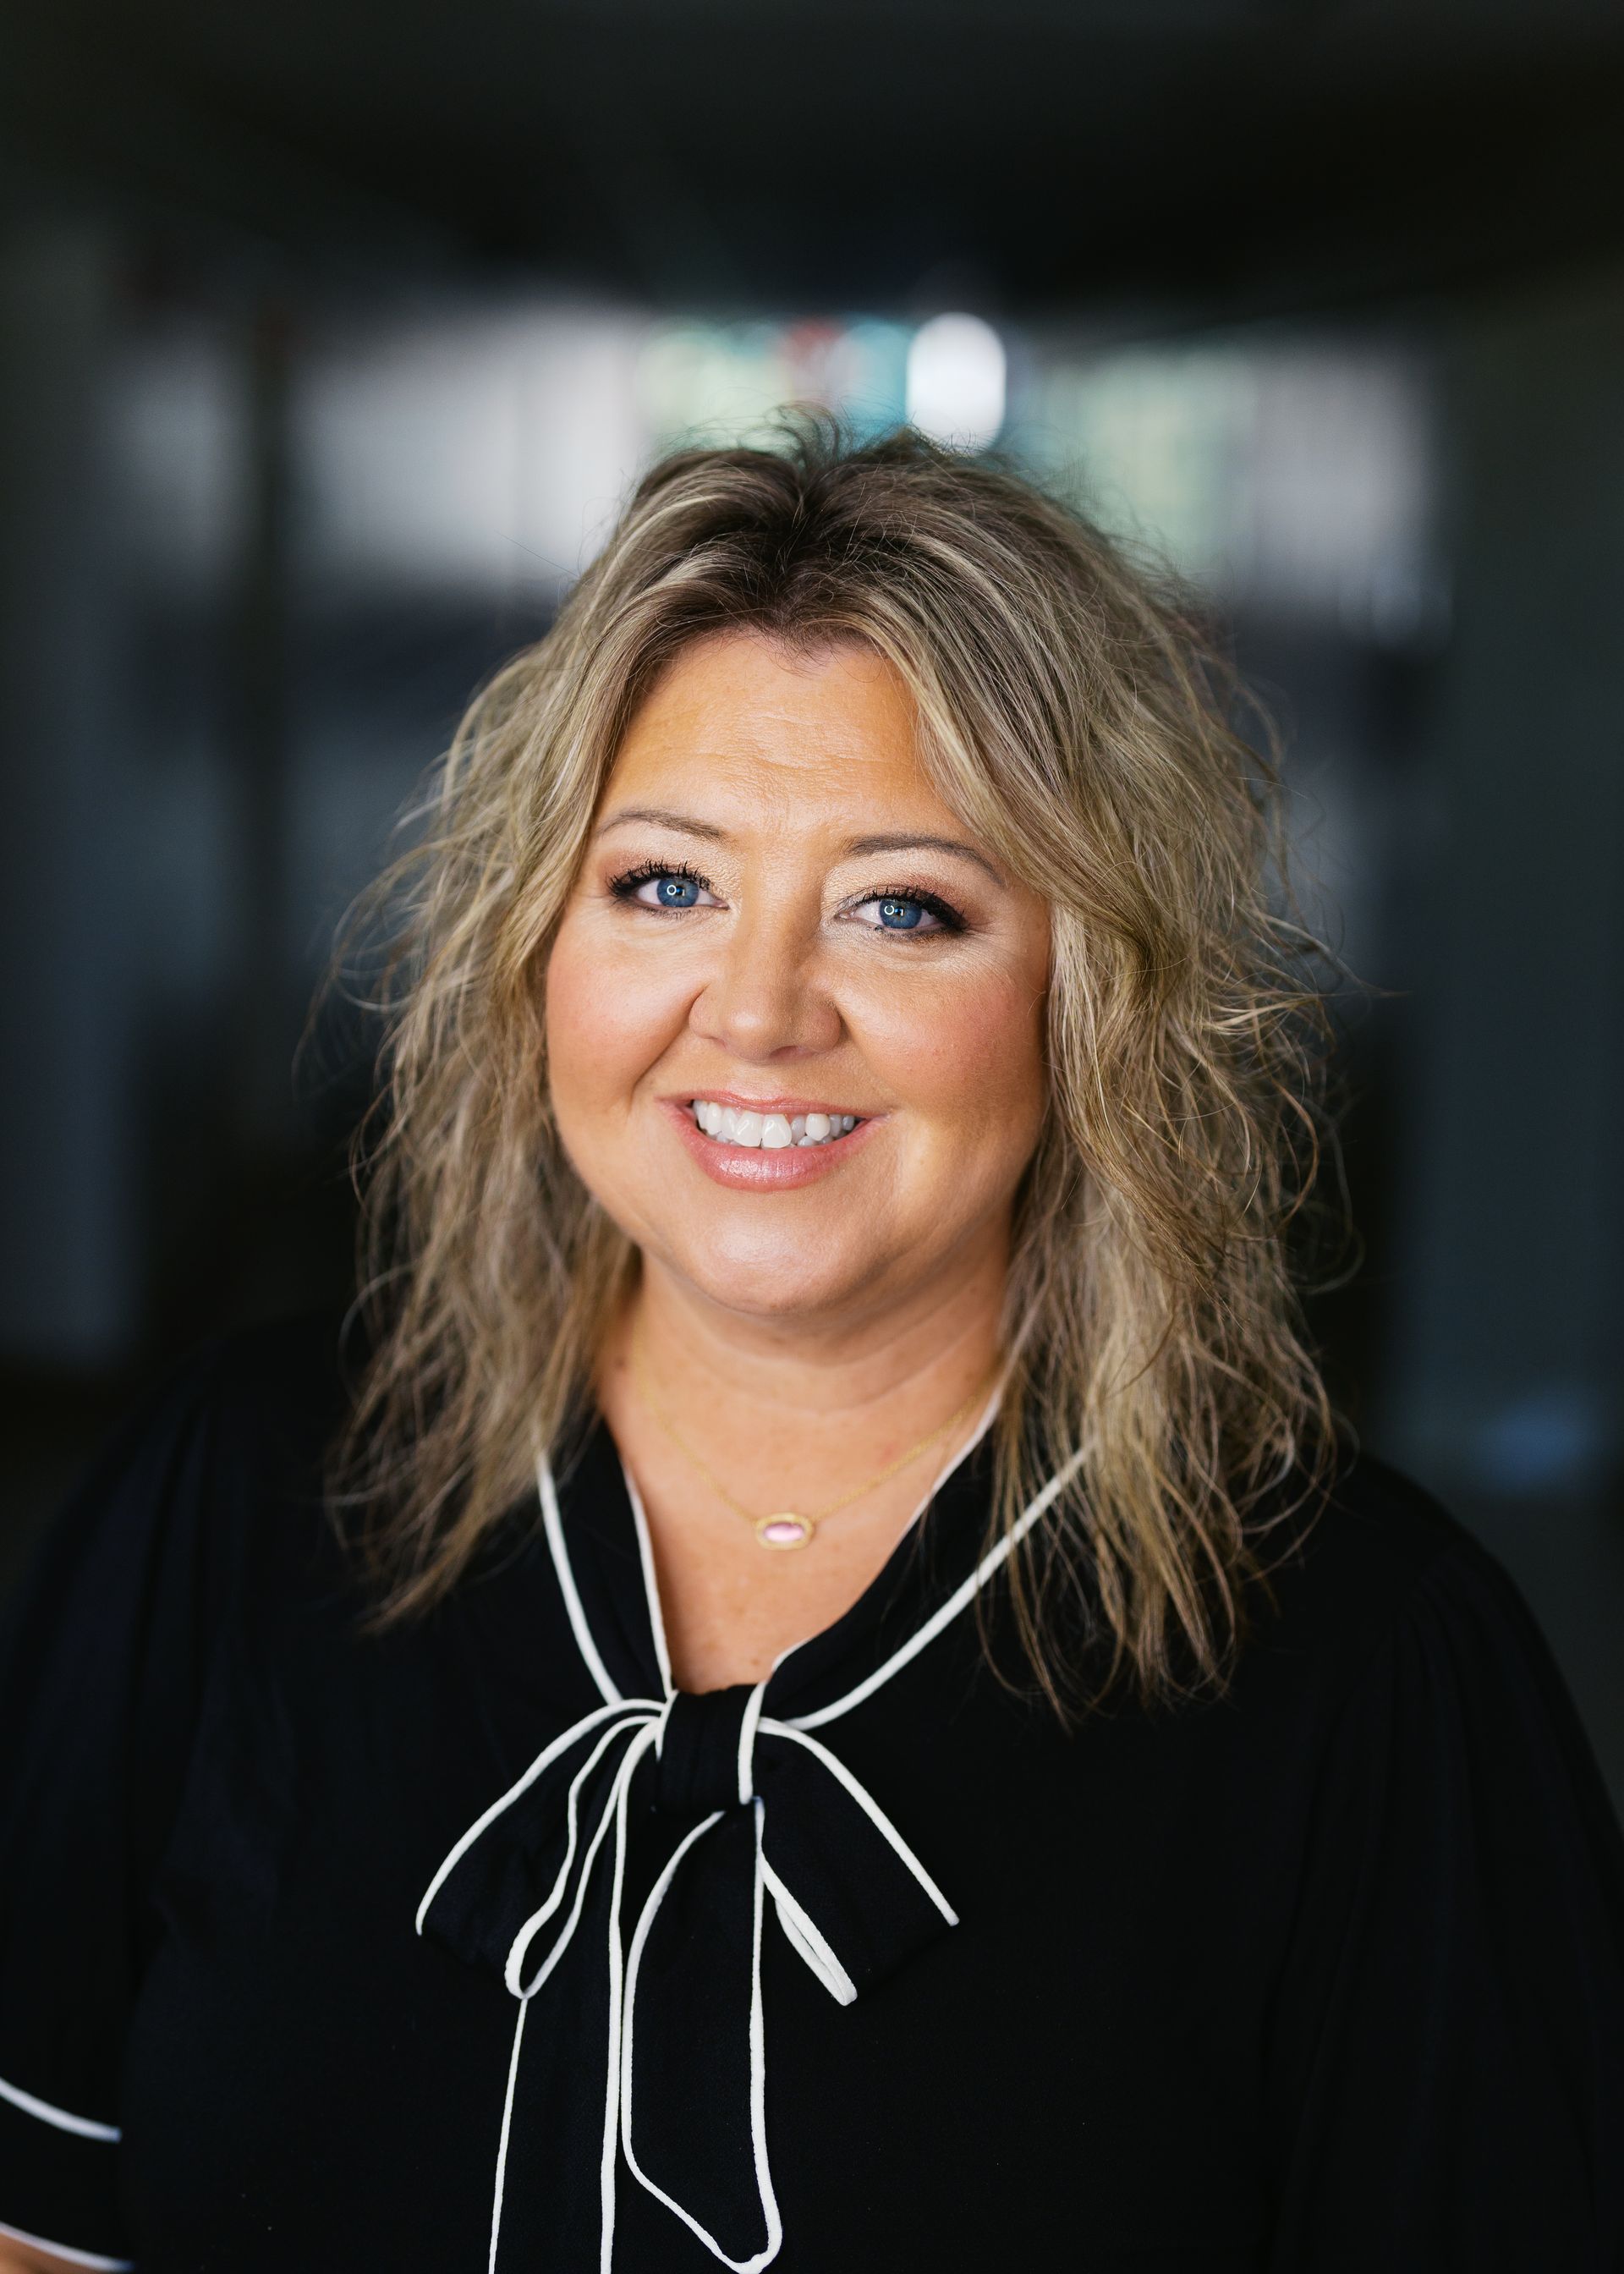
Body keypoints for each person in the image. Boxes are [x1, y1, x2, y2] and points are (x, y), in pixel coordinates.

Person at [1, 422, 1620, 2274]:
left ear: (1086, 997)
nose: (758, 1013)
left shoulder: (1377, 1677)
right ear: (539, 943)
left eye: (903, 907)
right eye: (665, 885)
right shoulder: (234, 1496)